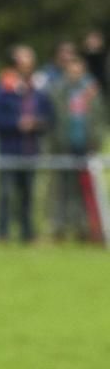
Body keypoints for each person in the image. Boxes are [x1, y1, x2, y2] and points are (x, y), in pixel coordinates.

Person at [0, 44, 54, 242]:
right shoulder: (2, 89)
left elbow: (50, 115)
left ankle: (27, 233)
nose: (26, 67)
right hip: (8, 149)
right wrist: (17, 124)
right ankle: (2, 233)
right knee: (5, 194)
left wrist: (38, 123)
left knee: (28, 194)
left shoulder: (38, 89)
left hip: (30, 150)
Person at [48, 51, 106, 241]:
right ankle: (60, 228)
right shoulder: (58, 91)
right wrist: (56, 143)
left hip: (86, 147)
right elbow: (53, 121)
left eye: (78, 70)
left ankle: (86, 229)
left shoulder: (92, 91)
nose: (75, 74)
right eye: (71, 71)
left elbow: (99, 119)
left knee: (85, 192)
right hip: (64, 147)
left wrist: (95, 142)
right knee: (62, 190)